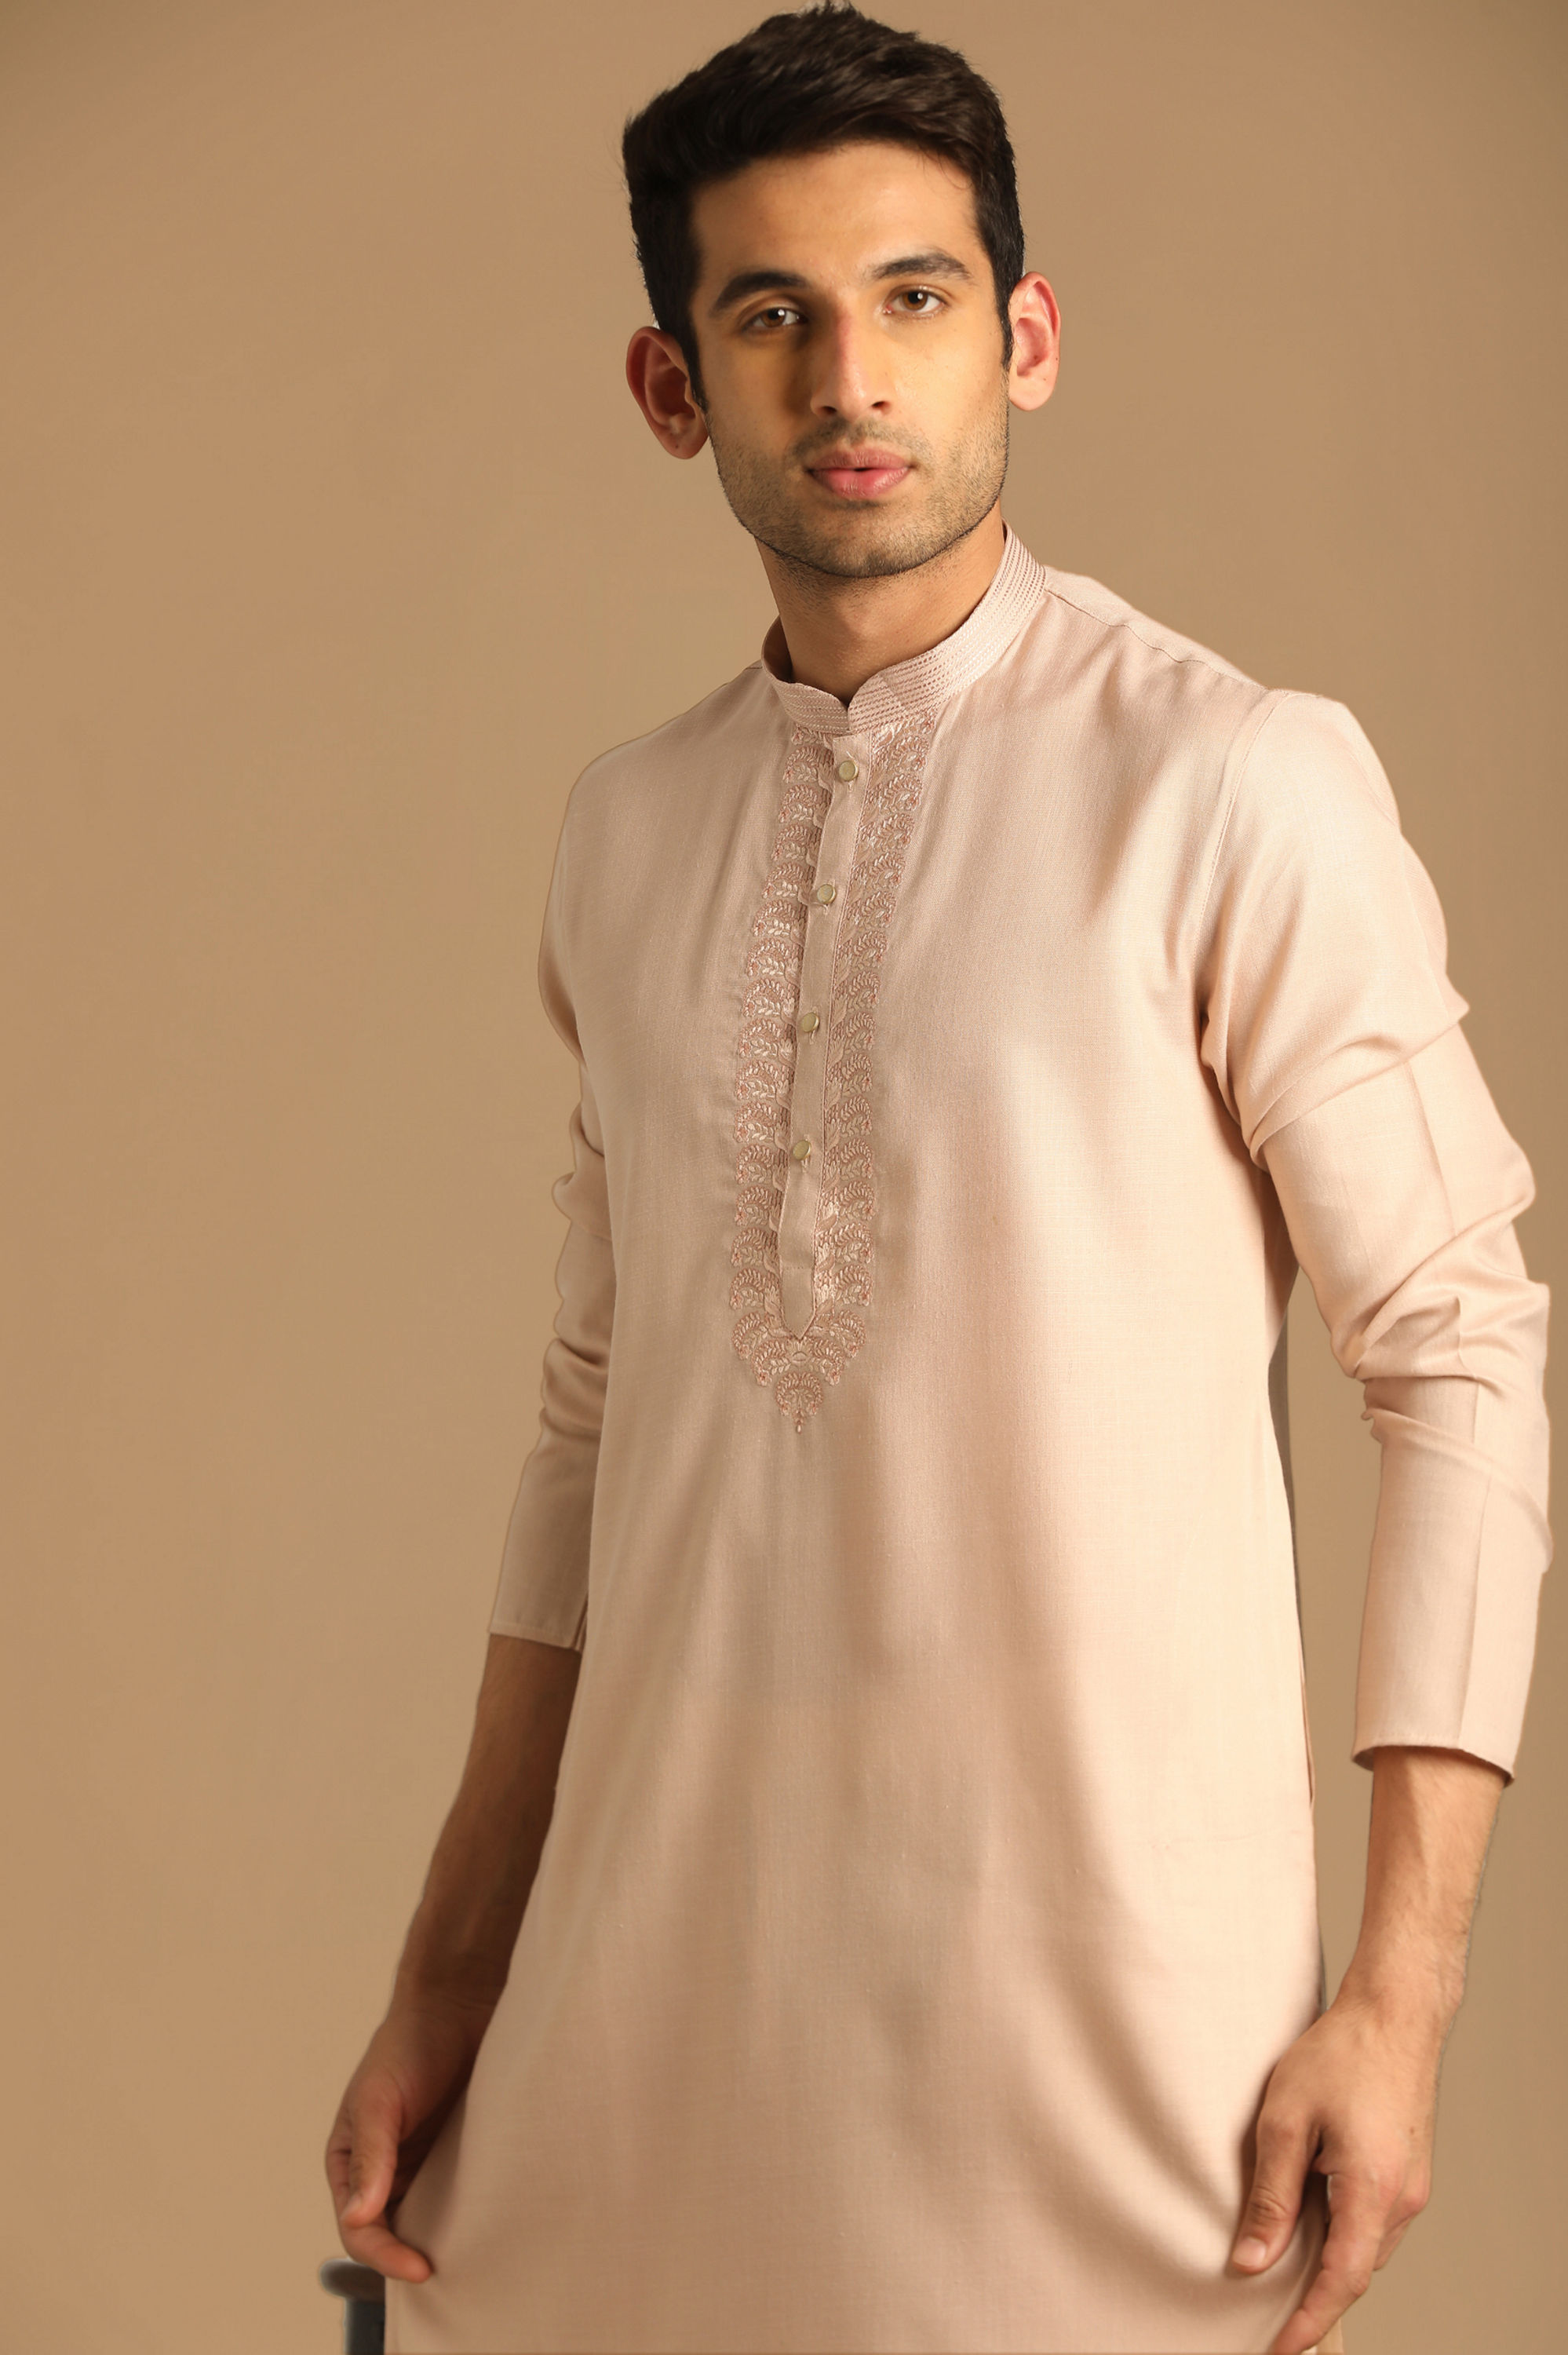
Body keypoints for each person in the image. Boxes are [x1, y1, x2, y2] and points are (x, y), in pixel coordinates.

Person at [324, 7, 1552, 2350]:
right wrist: (450, 1972)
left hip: (1111, 2033)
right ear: (672, 384)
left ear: (1028, 338)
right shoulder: (626, 831)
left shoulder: (1233, 784)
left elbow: (1460, 1356)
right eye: (770, 315)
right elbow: (592, 1428)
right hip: (655, 2012)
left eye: (915, 296)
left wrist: (1400, 1996)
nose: (852, 377)